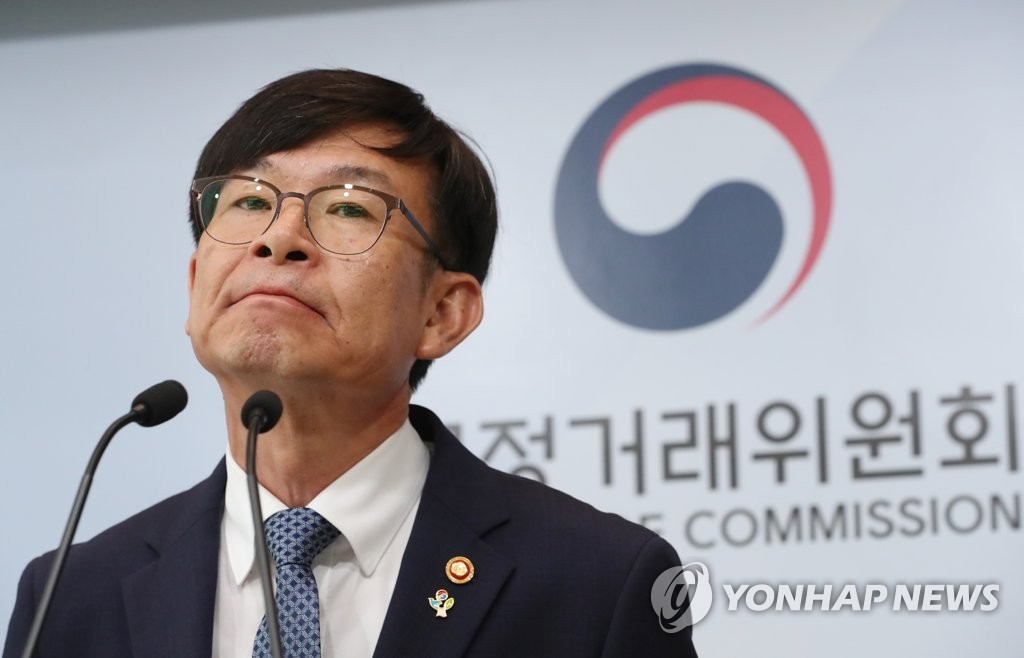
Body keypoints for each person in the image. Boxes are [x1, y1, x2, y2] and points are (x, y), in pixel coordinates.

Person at [4, 68, 698, 657]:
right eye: (249, 200)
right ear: (195, 290)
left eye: (348, 208)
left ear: (442, 313)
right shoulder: (70, 598)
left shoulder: (596, 583)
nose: (279, 239)